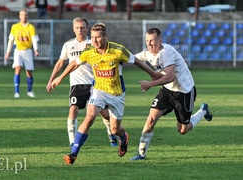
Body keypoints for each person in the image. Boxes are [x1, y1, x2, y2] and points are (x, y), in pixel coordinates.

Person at [50, 23, 162, 164]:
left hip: (117, 94)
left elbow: (136, 61)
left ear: (105, 37)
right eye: (92, 37)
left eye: (98, 37)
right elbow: (74, 63)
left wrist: (152, 74)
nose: (95, 41)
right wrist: (60, 78)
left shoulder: (118, 50)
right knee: (90, 117)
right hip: (99, 91)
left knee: (115, 129)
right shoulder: (90, 51)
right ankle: (73, 154)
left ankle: (123, 137)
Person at [130, 27, 213, 161]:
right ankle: (141, 154)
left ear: (160, 41)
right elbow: (132, 58)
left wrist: (149, 84)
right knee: (151, 119)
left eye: (152, 41)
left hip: (184, 92)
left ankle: (203, 111)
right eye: (147, 41)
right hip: (167, 90)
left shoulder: (166, 52)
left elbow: (170, 77)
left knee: (182, 130)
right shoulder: (148, 52)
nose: (149, 44)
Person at [46, 17, 118, 148]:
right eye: (77, 27)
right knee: (73, 110)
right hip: (76, 84)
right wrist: (51, 80)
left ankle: (111, 133)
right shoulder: (68, 45)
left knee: (105, 114)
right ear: (73, 29)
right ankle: (73, 142)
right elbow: (61, 62)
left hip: (95, 84)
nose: (80, 30)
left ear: (87, 28)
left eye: (82, 27)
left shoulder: (94, 43)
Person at [5, 9, 39, 99]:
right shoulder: (15, 27)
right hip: (18, 51)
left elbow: (34, 40)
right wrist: (7, 52)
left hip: (27, 51)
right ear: (19, 16)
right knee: (18, 68)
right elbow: (11, 40)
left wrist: (36, 50)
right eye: (22, 15)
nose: (24, 16)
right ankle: (17, 92)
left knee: (29, 72)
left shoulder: (31, 27)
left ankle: (29, 91)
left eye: (25, 15)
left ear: (27, 16)